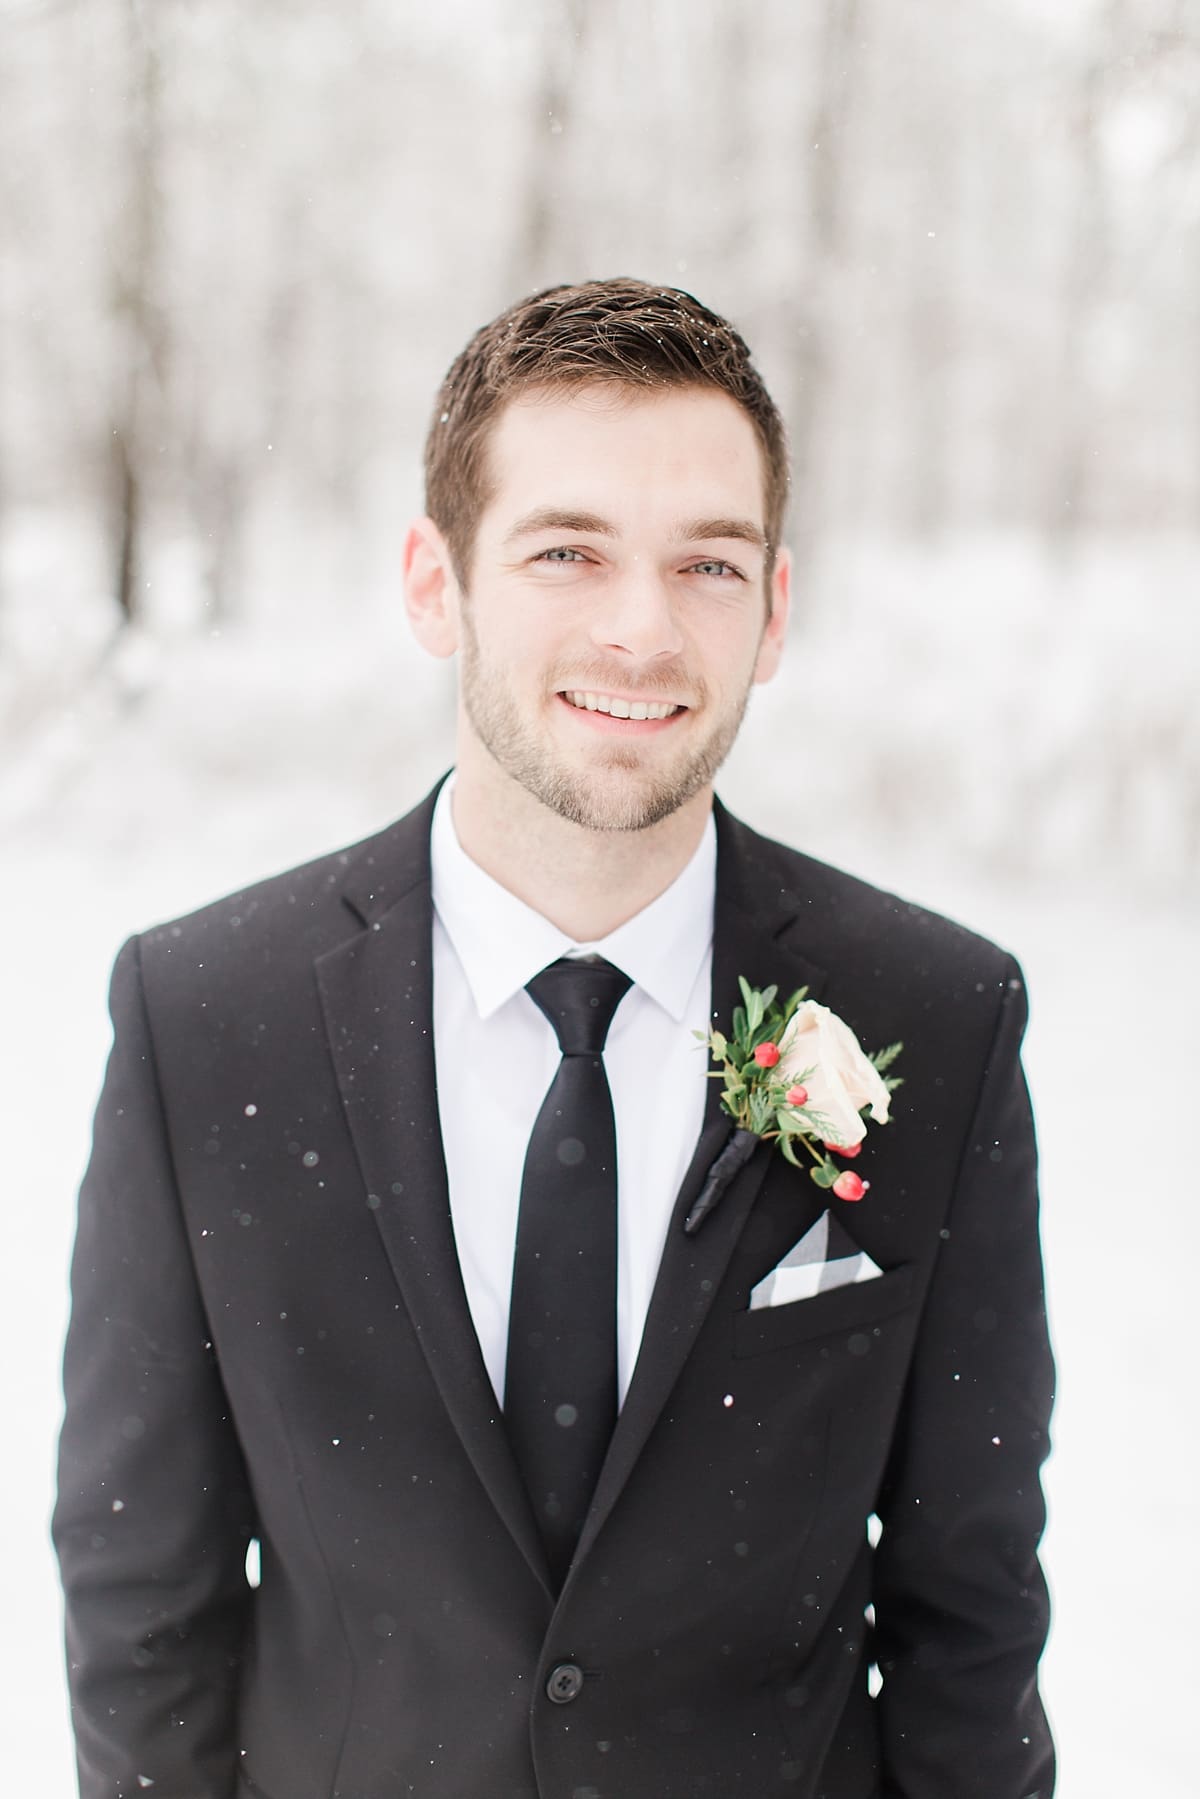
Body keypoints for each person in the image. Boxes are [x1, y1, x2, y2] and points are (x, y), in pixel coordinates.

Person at [54, 278, 1055, 1799]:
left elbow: (969, 1619)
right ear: (433, 584)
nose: (643, 629)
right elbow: (142, 1601)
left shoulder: (941, 1019)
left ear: (774, 609)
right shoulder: (204, 1021)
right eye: (567, 551)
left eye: (707, 563)